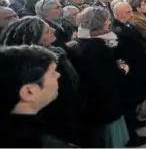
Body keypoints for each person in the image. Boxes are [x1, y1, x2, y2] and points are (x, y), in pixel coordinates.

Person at [0, 17, 84, 146]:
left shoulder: (56, 52)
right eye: (46, 31)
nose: (53, 29)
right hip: (54, 120)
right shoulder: (30, 67)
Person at [75, 7, 130, 148]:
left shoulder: (85, 38)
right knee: (111, 138)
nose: (109, 22)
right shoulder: (97, 45)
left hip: (96, 97)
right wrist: (122, 70)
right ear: (99, 23)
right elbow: (105, 77)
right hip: (104, 99)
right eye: (107, 19)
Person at [112, 2, 146, 147]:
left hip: (138, 70)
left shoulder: (126, 25)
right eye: (127, 12)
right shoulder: (117, 31)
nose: (131, 14)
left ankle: (135, 122)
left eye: (130, 11)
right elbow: (125, 55)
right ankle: (131, 137)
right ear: (118, 14)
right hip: (131, 74)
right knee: (129, 105)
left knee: (134, 102)